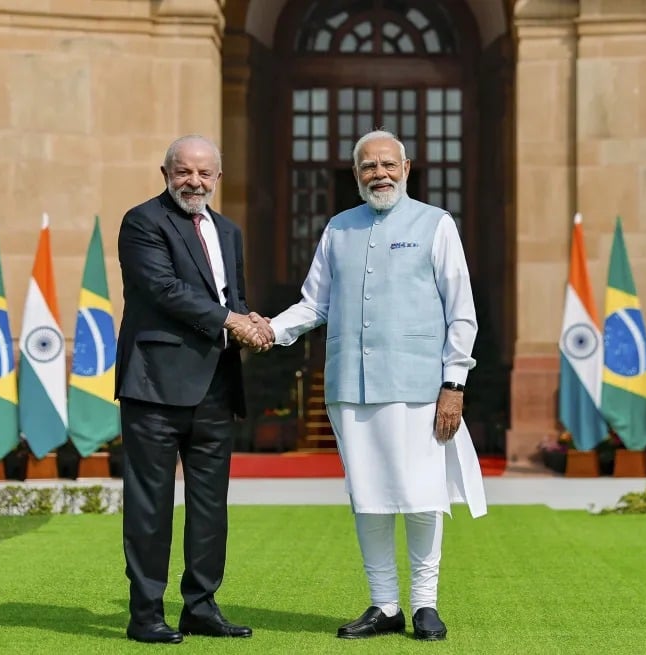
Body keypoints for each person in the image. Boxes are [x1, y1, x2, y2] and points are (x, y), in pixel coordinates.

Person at [266, 130, 487, 641]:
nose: (380, 174)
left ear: (407, 168)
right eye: (369, 167)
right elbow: (314, 303)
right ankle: (385, 605)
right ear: (356, 174)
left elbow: (462, 312)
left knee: (421, 495)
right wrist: (269, 329)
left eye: (389, 164)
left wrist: (454, 382)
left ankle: (426, 604)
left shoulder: (436, 224)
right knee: (368, 498)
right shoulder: (338, 229)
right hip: (351, 386)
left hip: (419, 386)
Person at [115, 135, 271, 645]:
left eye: (204, 174)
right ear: (165, 172)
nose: (194, 182)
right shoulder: (142, 222)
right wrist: (232, 320)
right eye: (184, 172)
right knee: (149, 506)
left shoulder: (229, 231)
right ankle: (146, 615)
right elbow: (164, 290)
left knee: (210, 506)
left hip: (215, 386)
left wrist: (247, 318)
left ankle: (201, 606)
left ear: (218, 178)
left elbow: (232, 296)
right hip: (154, 387)